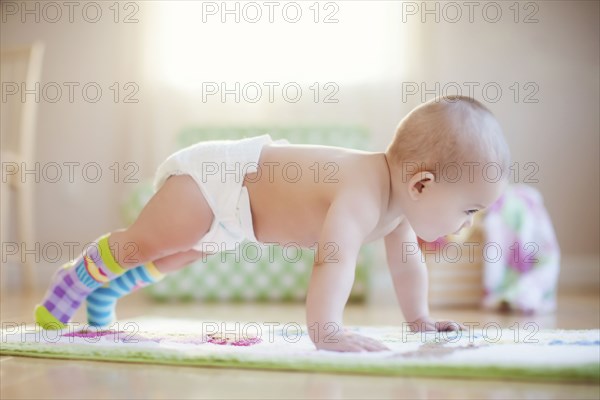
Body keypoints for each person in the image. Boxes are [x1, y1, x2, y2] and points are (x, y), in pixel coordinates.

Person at [35, 95, 510, 352]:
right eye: (468, 210)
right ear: (422, 184)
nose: (466, 224)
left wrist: (419, 320)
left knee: (178, 255)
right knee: (150, 242)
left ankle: (106, 291)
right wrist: (327, 330)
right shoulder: (362, 191)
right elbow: (332, 261)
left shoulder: (399, 208)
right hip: (217, 179)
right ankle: (73, 278)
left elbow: (408, 269)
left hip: (238, 218)